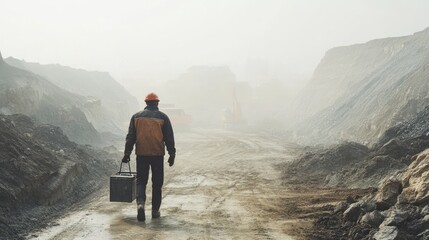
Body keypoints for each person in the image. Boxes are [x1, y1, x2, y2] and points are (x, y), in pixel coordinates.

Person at [122, 92, 176, 222]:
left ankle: (140, 204)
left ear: (146, 103)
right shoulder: (163, 117)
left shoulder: (136, 117)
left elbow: (130, 137)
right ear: (157, 103)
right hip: (157, 155)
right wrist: (172, 154)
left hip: (141, 154)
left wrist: (127, 153)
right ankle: (155, 211)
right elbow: (169, 137)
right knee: (157, 183)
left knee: (141, 181)